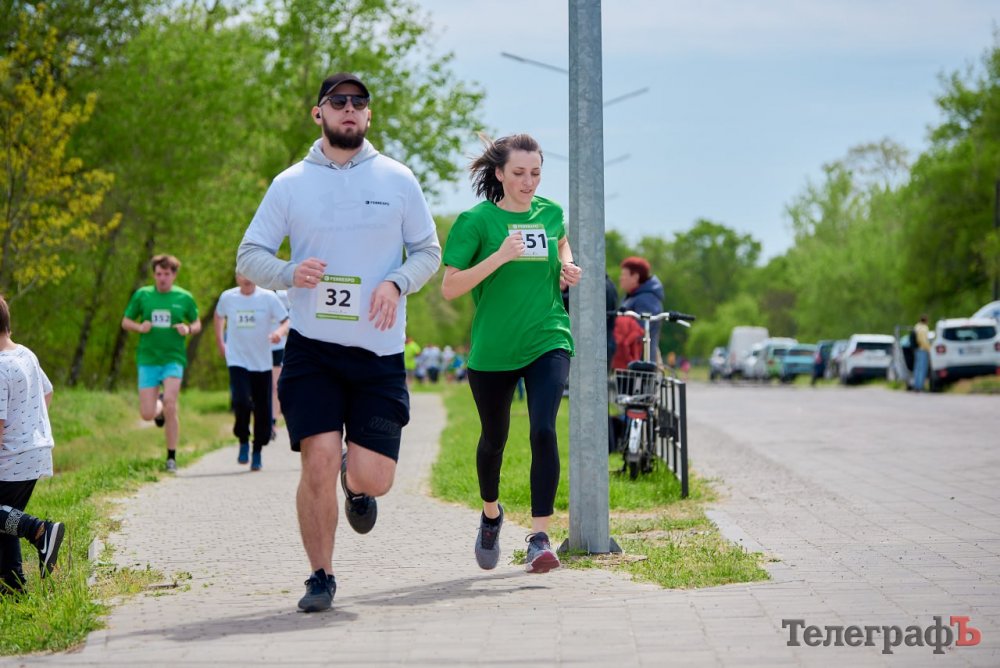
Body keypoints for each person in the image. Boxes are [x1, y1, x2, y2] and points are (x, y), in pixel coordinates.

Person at [236, 72, 441, 613]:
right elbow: (249, 256)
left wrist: (397, 282)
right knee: (318, 461)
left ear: (368, 115)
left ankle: (356, 484)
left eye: (358, 102)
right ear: (319, 113)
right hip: (314, 350)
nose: (349, 109)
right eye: (338, 101)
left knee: (375, 478)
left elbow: (428, 251)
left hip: (380, 353)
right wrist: (288, 272)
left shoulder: (398, 179)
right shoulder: (290, 183)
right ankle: (320, 576)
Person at [441, 133, 580, 575]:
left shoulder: (550, 213)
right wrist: (499, 256)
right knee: (493, 440)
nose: (528, 182)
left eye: (535, 173)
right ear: (499, 173)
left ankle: (539, 538)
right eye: (519, 173)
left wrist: (567, 265)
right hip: (494, 349)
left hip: (548, 338)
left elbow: (561, 242)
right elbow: (450, 287)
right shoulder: (476, 221)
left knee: (543, 429)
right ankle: (491, 514)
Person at [0, 296, 65, 594]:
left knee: (10, 518)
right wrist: (30, 428)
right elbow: (47, 392)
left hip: (11, 458)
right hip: (35, 452)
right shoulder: (25, 354)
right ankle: (12, 586)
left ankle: (39, 530)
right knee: (6, 519)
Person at [121, 254, 201, 473]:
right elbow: (125, 321)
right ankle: (158, 407)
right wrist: (140, 327)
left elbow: (197, 323)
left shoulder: (184, 297)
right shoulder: (143, 295)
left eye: (166, 274)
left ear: (174, 275)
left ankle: (171, 457)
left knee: (171, 404)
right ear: (154, 275)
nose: (162, 278)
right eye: (158, 274)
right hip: (148, 359)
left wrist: (188, 329)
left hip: (173, 358)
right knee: (147, 414)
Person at [214, 274, 289, 471]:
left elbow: (286, 320)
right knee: (241, 401)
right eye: (242, 274)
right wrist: (220, 342)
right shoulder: (228, 297)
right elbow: (219, 315)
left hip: (261, 362)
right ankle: (243, 440)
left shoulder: (268, 297)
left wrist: (279, 333)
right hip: (237, 359)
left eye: (250, 274)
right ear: (237, 276)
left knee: (262, 408)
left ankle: (257, 450)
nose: (247, 278)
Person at [618, 257, 664, 363]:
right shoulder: (633, 297)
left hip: (640, 362)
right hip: (631, 359)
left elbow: (640, 332)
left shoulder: (646, 299)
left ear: (635, 277)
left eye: (624, 275)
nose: (621, 278)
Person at [270, 288, 291, 438]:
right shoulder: (254, 292)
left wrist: (281, 332)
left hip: (277, 347)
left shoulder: (284, 295)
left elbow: (292, 318)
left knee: (274, 386)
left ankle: (272, 422)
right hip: (257, 347)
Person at [912, 313, 932, 392]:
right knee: (922, 368)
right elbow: (923, 340)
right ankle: (920, 386)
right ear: (926, 321)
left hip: (917, 349)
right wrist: (929, 349)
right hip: (922, 349)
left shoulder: (916, 326)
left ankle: (916, 385)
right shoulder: (924, 328)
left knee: (917, 368)